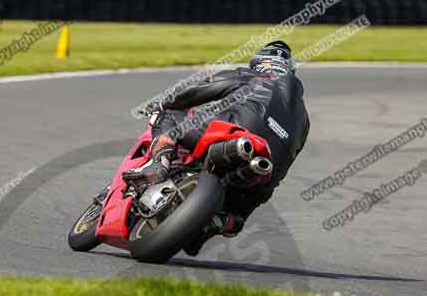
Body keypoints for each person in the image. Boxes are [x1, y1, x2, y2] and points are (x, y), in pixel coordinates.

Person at [122, 41, 310, 255]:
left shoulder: (251, 77)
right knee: (237, 218)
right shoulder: (303, 118)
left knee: (168, 118)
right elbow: (290, 159)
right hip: (265, 171)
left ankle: (158, 164)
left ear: (258, 64)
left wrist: (163, 103)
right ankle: (217, 222)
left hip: (235, 135)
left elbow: (198, 90)